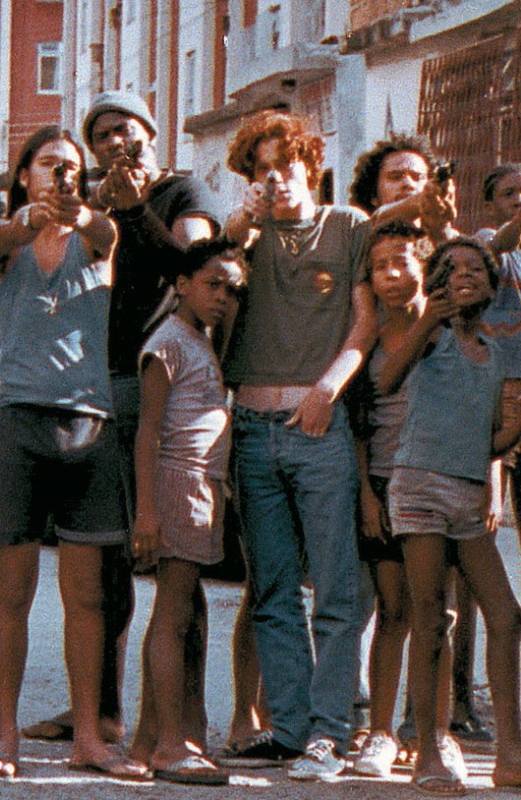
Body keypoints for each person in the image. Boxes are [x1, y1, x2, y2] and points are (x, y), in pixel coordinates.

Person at [22, 91, 221, 746]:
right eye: (101, 134)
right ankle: (102, 711)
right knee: (102, 558)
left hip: (162, 389)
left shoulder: (183, 192)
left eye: (124, 129)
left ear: (150, 133)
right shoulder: (91, 204)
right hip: (95, 387)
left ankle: (182, 720)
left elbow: (193, 270)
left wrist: (137, 211)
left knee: (175, 560)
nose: (113, 142)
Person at [0, 126, 134, 781]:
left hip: (88, 424)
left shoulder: (95, 238)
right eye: (48, 164)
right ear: (24, 174)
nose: (62, 174)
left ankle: (88, 736)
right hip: (19, 422)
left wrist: (82, 212)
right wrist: (30, 218)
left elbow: (106, 233)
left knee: (86, 596)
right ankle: (5, 734)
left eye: (71, 167)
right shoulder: (7, 240)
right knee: (11, 592)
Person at [218, 110, 374, 780]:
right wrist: (241, 227)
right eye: (261, 169)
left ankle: (330, 732)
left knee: (337, 587)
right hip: (252, 429)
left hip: (317, 422)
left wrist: (327, 390)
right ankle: (289, 727)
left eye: (286, 163)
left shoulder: (347, 226)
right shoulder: (245, 237)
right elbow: (213, 268)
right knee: (272, 588)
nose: (275, 178)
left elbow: (365, 322)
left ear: (312, 163)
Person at [377, 236, 521, 793]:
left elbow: (495, 438)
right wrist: (427, 319)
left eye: (475, 269)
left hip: (466, 494)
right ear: (436, 283)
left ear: (492, 285)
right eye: (451, 268)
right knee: (431, 617)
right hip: (419, 487)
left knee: (506, 616)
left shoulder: (497, 353)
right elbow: (387, 379)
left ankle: (510, 752)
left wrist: (513, 431)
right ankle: (430, 749)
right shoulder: (431, 336)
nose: (464, 275)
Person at [128, 239, 245, 786]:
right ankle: (170, 745)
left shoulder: (202, 339)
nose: (222, 297)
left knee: (178, 612)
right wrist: (147, 510)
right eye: (212, 284)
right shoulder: (168, 342)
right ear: (181, 284)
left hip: (203, 485)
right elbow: (148, 430)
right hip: (178, 481)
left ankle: (148, 738)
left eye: (231, 289)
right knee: (171, 616)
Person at [348, 221, 461, 777]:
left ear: (425, 264)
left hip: (440, 489)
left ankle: (434, 732)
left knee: (438, 614)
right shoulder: (365, 337)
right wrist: (368, 495)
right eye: (379, 267)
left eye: (401, 262)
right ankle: (381, 732)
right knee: (392, 612)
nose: (391, 276)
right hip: (385, 486)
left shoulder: (449, 333)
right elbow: (360, 424)